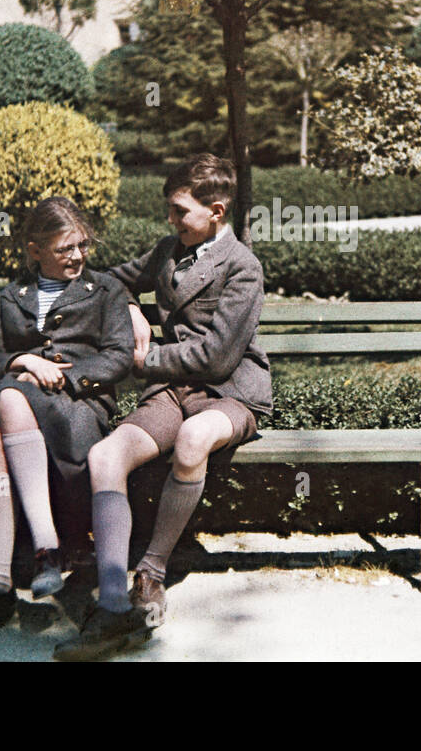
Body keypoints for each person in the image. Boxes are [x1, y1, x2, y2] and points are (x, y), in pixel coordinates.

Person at [54, 153, 272, 660]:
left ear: (215, 211)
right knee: (107, 457)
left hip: (229, 392)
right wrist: (132, 309)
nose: (170, 222)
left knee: (194, 440)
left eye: (180, 212)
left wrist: (144, 356)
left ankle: (150, 574)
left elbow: (218, 358)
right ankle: (113, 606)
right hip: (172, 392)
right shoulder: (169, 251)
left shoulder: (243, 267)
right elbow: (110, 280)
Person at [0, 196, 134, 636]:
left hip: (78, 407)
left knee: (8, 406)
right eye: (64, 249)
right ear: (34, 250)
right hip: (24, 410)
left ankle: (40, 553)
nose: (76, 256)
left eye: (82, 246)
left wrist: (63, 378)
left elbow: (117, 359)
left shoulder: (105, 291)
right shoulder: (10, 297)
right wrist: (24, 361)